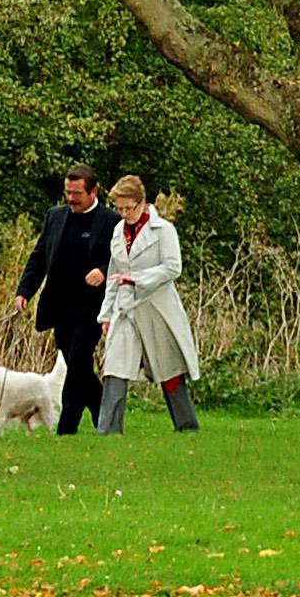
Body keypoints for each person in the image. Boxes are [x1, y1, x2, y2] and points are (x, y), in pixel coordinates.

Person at [12, 163, 117, 435]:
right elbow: (39, 257)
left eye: (77, 194)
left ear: (94, 192)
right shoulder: (55, 216)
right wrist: (24, 291)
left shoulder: (110, 221)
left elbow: (123, 260)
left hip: (93, 307)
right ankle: (104, 410)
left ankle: (67, 427)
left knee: (79, 360)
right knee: (77, 365)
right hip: (60, 306)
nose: (70, 199)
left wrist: (104, 272)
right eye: (67, 193)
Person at [93, 173, 200, 433]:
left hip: (157, 309)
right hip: (125, 308)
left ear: (142, 203)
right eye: (119, 208)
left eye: (128, 208)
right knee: (115, 367)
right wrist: (105, 315)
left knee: (169, 370)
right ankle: (108, 430)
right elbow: (113, 273)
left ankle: (186, 427)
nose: (124, 214)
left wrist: (137, 278)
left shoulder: (164, 230)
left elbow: (173, 268)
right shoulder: (118, 231)